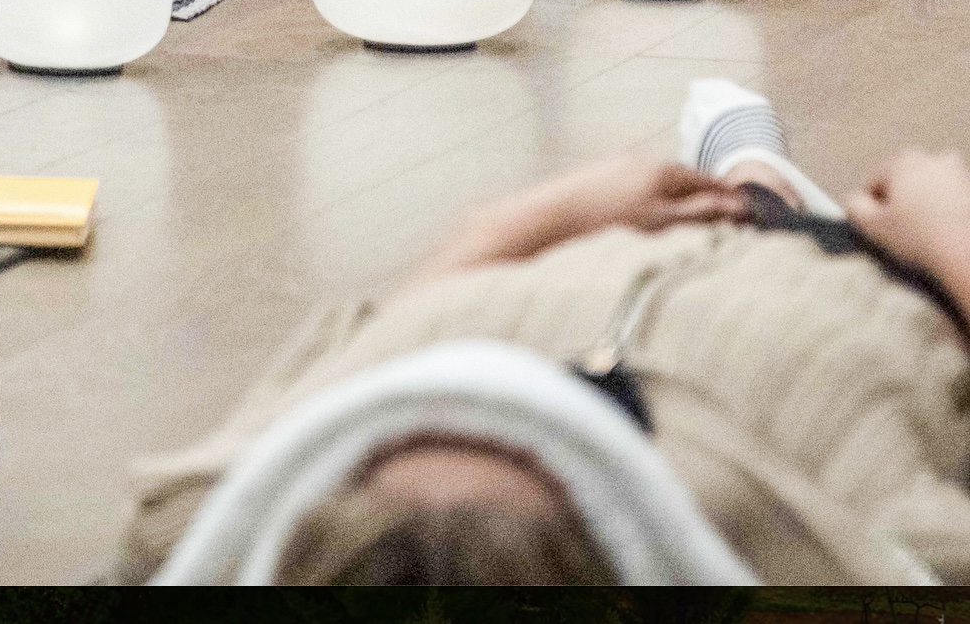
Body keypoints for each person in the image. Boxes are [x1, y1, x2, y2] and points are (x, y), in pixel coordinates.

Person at [123, 81, 970, 584]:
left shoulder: (225, 517)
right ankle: (761, 177)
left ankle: (749, 174)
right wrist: (952, 231)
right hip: (864, 281)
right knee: (782, 198)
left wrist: (525, 219)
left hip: (582, 254)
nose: (511, 415)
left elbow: (367, 333)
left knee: (731, 193)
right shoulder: (842, 537)